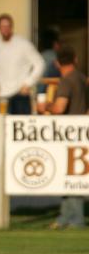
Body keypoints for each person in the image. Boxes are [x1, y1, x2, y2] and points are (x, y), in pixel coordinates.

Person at [37, 47, 87, 229]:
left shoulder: (66, 81)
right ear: (75, 59)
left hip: (69, 134)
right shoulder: (82, 79)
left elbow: (59, 107)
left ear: (58, 63)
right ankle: (64, 217)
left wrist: (45, 107)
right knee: (72, 177)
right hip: (83, 132)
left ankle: (76, 220)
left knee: (70, 178)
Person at [0, 14, 44, 114]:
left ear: (12, 27)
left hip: (20, 95)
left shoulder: (23, 44)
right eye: (3, 26)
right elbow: (1, 69)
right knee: (2, 128)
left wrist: (28, 83)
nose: (5, 29)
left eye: (8, 26)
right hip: (3, 95)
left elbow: (40, 63)